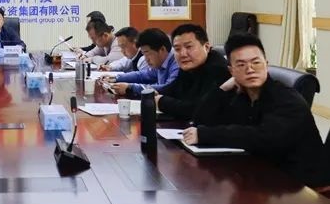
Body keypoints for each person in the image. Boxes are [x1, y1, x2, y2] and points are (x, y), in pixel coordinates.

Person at [182, 34, 330, 189]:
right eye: (241, 65)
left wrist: (206, 134)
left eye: (256, 62)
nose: (250, 69)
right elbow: (200, 119)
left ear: (266, 64)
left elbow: (264, 138)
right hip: (262, 173)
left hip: (299, 184)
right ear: (231, 71)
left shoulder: (287, 99)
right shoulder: (242, 95)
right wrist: (222, 88)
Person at [155, 24, 230, 120]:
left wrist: (161, 101)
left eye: (189, 47)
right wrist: (155, 93)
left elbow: (198, 109)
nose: (183, 54)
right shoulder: (189, 66)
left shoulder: (218, 69)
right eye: (177, 49)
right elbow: (174, 88)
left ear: (206, 47)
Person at [108, 28, 178, 98]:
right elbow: (143, 75)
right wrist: (117, 78)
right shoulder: (160, 62)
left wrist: (130, 88)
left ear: (162, 49)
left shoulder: (177, 62)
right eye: (143, 54)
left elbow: (167, 89)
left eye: (147, 53)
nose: (146, 59)